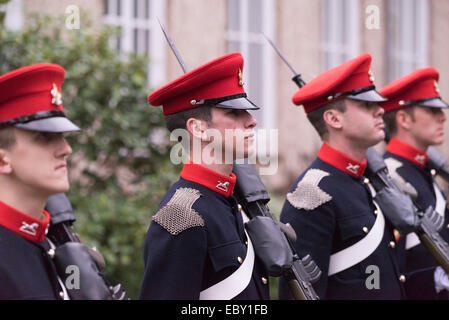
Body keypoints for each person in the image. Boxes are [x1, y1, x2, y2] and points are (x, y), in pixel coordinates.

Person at [139, 52, 270, 300]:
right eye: (233, 113)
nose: (252, 121)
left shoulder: (237, 202)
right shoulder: (181, 216)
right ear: (198, 128)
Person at [278, 53, 407, 299]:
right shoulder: (311, 193)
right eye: (366, 105)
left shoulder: (369, 181)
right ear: (334, 118)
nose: (380, 110)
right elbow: (302, 292)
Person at [0, 63, 80, 299]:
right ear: (3, 160)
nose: (66, 149)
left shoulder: (47, 245)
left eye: (62, 137)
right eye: (45, 138)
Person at [380, 67, 449, 299]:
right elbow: (387, 270)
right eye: (432, 110)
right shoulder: (388, 176)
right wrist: (436, 279)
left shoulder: (425, 171)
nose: (443, 117)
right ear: (403, 119)